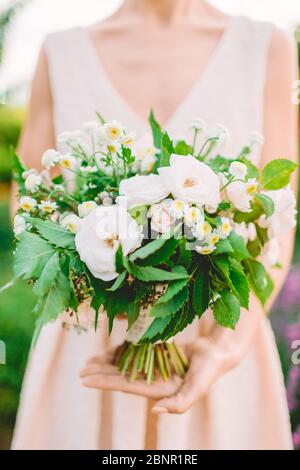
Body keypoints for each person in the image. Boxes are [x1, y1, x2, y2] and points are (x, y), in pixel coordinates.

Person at [12, 0, 298, 450]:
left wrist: (222, 347)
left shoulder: (266, 47)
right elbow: (30, 213)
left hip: (217, 342)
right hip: (93, 335)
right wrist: (95, 289)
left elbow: (278, 221)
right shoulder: (61, 52)